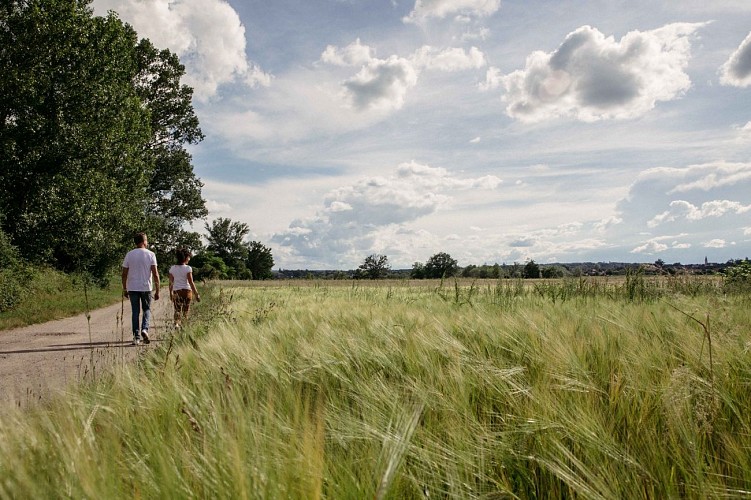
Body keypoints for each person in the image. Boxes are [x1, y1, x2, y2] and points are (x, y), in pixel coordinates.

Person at [122, 232, 160, 345]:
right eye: (146, 240)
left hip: (132, 287)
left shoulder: (129, 254)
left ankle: (136, 337)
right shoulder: (151, 254)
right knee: (146, 310)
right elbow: (155, 273)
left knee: (135, 312)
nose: (147, 242)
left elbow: (124, 274)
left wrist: (125, 288)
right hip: (146, 287)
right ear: (144, 242)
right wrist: (157, 290)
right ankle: (145, 329)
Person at [169, 248, 200, 329]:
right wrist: (196, 294)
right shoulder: (188, 268)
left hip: (177, 292)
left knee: (177, 310)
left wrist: (170, 293)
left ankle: (176, 324)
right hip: (187, 292)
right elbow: (191, 282)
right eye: (189, 257)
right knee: (185, 311)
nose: (189, 259)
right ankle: (184, 326)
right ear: (186, 257)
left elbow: (171, 283)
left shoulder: (172, 268)